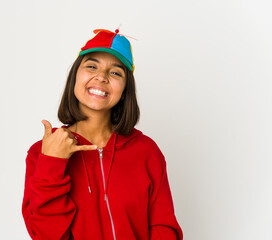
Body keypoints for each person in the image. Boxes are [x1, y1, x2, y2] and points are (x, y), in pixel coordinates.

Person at [22, 28, 183, 240]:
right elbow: (46, 235)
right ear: (75, 76)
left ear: (125, 89)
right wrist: (52, 163)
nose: (101, 77)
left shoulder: (146, 151)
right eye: (91, 66)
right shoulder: (43, 152)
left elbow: (164, 228)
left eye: (115, 72)